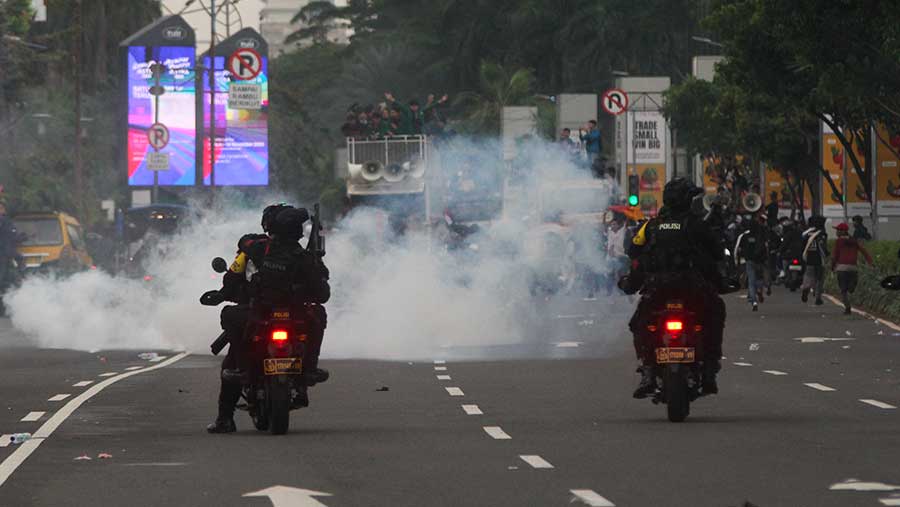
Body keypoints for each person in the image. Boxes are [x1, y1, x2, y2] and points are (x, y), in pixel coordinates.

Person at [207, 205, 331, 434]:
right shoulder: (305, 257)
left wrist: (225, 294)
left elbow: (232, 277)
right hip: (293, 317)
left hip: (260, 316)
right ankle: (309, 368)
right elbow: (323, 294)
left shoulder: (254, 248)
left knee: (231, 336)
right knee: (318, 314)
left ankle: (225, 418)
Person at [624, 178, 725, 398]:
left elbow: (633, 251)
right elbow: (717, 252)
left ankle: (648, 372)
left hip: (658, 289)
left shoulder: (651, 226)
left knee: (639, 323)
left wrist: (630, 282)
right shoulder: (697, 225)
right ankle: (709, 370)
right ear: (687, 200)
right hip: (692, 289)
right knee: (715, 312)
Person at [831, 222, 873, 314]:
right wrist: (870, 262)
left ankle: (847, 307)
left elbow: (835, 256)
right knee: (851, 287)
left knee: (843, 290)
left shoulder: (839, 241)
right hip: (853, 268)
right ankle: (851, 288)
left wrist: (832, 266)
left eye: (838, 230)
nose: (836, 232)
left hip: (842, 268)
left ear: (843, 231)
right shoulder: (854, 241)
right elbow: (864, 251)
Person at [735, 213, 768, 311]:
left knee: (751, 281)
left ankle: (753, 301)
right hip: (760, 261)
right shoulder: (761, 236)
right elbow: (765, 248)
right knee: (759, 278)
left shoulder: (745, 236)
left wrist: (738, 261)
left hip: (749, 261)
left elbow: (739, 249)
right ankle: (759, 289)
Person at [800, 215, 829, 305]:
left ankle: (806, 288)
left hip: (809, 259)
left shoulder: (806, 234)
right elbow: (823, 247)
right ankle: (818, 298)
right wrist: (827, 254)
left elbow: (802, 246)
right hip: (819, 259)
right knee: (819, 279)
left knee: (808, 276)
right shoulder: (822, 233)